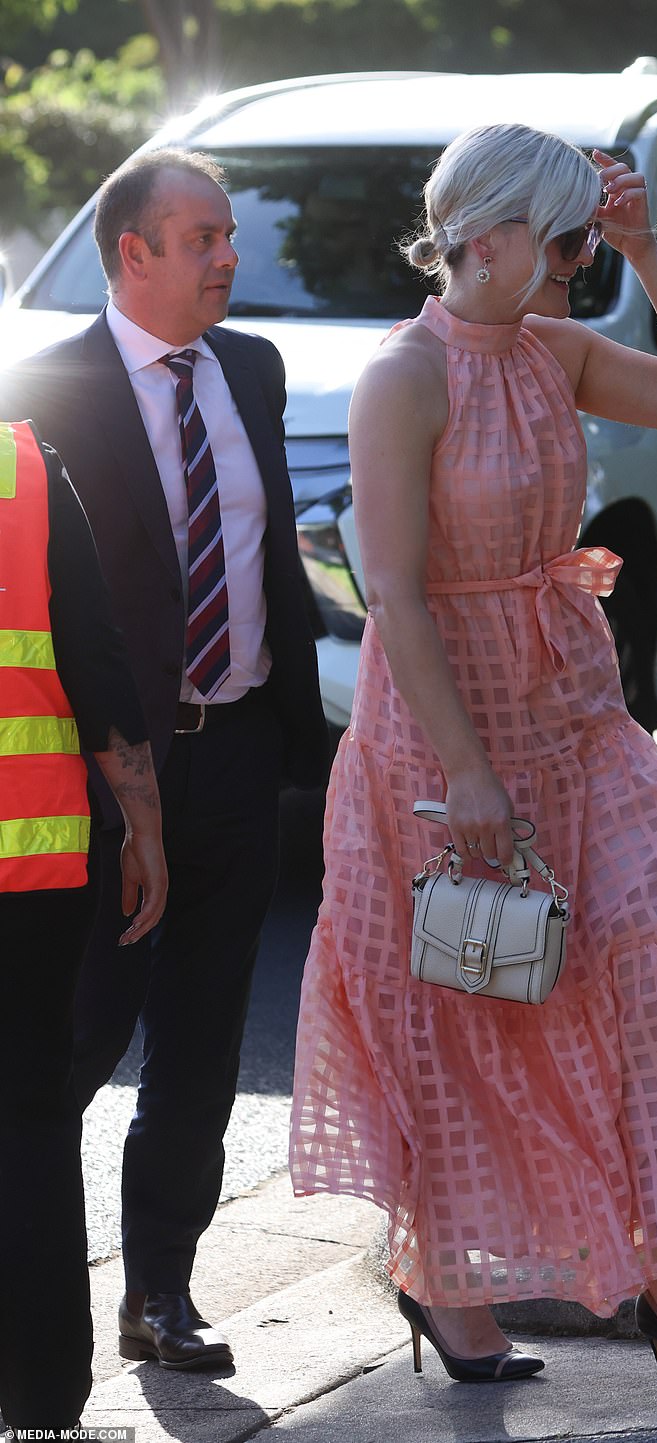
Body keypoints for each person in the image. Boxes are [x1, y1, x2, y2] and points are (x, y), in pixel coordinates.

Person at [290, 122, 657, 1393]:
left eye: (577, 239)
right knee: (466, 1019)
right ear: (484, 238)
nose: (571, 263)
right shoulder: (408, 375)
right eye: (561, 241)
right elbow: (390, 590)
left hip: (573, 711)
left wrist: (642, 250)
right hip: (444, 735)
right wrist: (469, 777)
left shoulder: (553, 348)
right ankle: (449, 1293)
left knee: (637, 978)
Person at [0, 148, 328, 1370]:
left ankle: (159, 1298)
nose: (226, 257)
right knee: (77, 1041)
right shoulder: (46, 388)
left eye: (228, 236)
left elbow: (263, 556)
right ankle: (28, 1305)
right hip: (100, 778)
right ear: (130, 251)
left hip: (235, 752)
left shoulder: (254, 367)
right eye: (200, 238)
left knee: (200, 1048)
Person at [0, 419, 167, 1436]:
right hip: (31, 858)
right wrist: (141, 821)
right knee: (26, 1116)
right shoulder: (21, 466)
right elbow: (94, 652)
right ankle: (44, 1398)